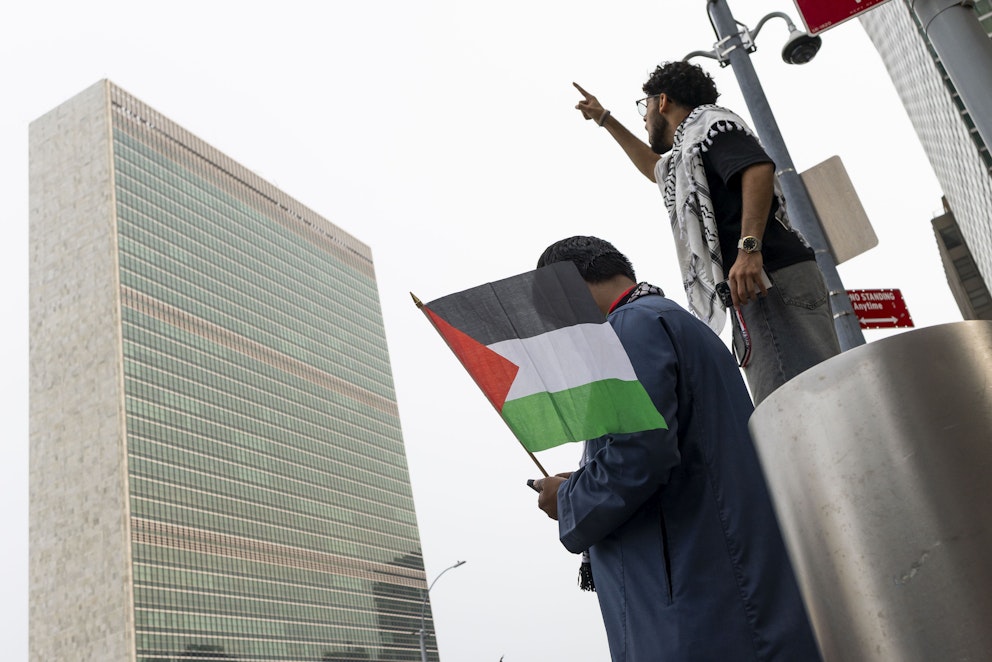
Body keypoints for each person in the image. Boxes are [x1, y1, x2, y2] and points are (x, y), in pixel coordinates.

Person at [532, 236, 821, 662]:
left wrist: (568, 499)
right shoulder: (670, 321)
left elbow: (641, 452)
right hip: (719, 583)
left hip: (690, 600)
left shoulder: (627, 328)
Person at [573, 61, 840, 404]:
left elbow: (756, 168)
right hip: (759, 283)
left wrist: (748, 250)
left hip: (767, 279)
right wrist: (605, 119)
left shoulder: (711, 124)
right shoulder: (691, 149)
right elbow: (655, 168)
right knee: (802, 399)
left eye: (645, 106)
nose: (644, 118)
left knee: (796, 403)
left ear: (663, 101)